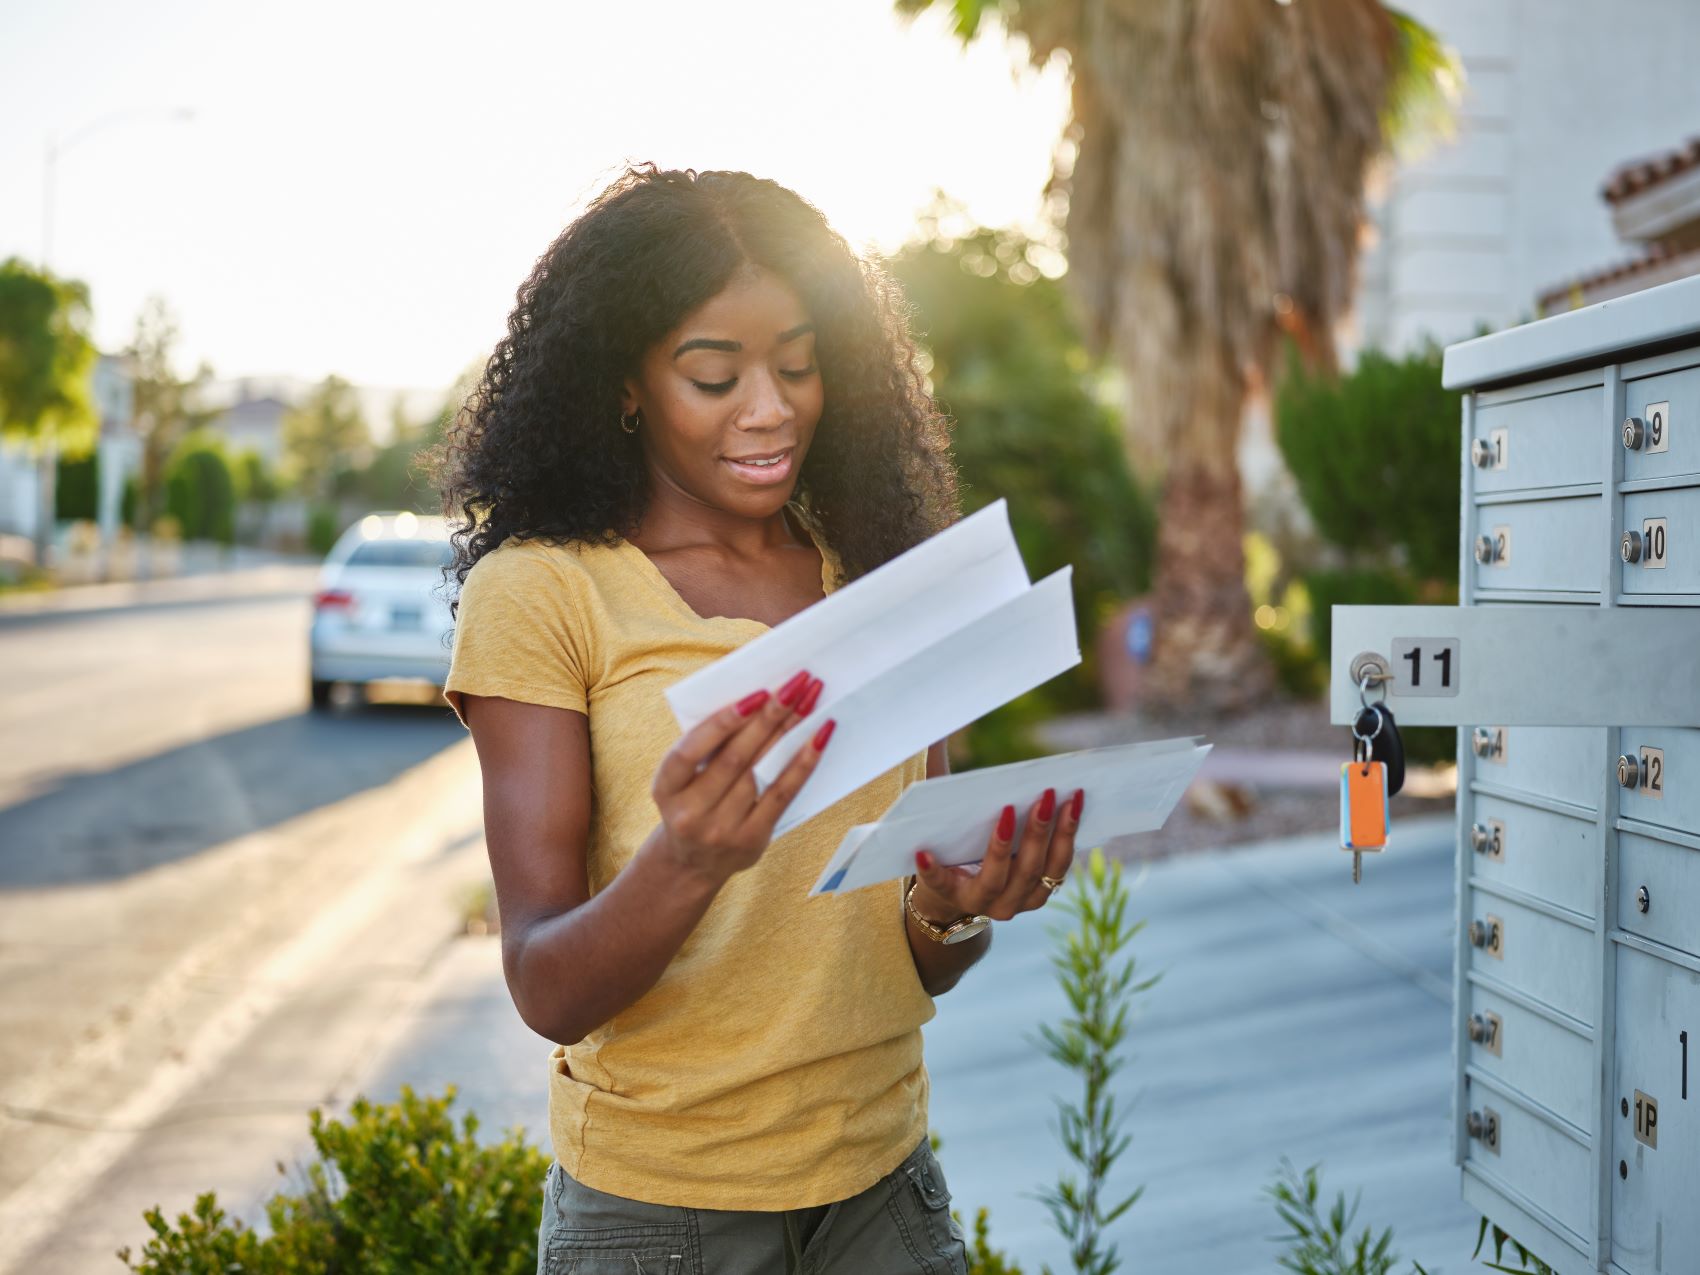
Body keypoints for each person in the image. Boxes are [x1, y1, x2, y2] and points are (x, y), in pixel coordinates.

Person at [432, 164, 1085, 1275]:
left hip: (884, 1186)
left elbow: (906, 963)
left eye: (796, 364)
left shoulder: (875, 572)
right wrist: (686, 859)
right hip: (661, 1213)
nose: (769, 407)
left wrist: (953, 906)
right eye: (712, 374)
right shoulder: (546, 591)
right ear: (626, 383)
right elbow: (545, 984)